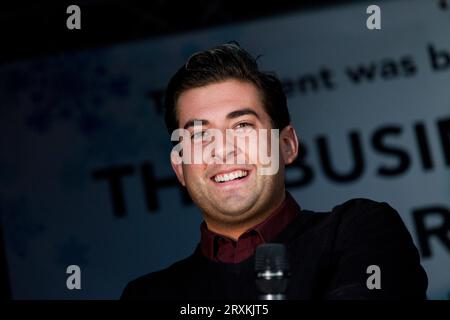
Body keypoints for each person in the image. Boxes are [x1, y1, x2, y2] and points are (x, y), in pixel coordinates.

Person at [121, 42, 427, 300]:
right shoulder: (147, 295)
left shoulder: (357, 230)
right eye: (200, 135)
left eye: (242, 126)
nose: (223, 148)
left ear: (287, 145)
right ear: (180, 169)